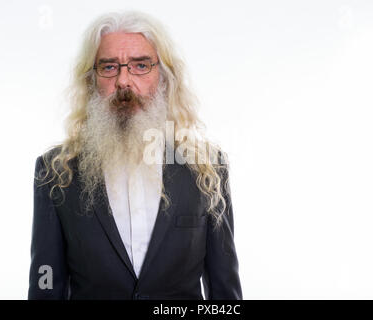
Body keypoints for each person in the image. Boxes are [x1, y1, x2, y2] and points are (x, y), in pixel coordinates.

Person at [28, 11, 242, 300]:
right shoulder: (56, 171)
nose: (124, 81)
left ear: (163, 77)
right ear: (92, 80)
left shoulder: (207, 167)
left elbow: (224, 289)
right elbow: (46, 284)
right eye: (109, 67)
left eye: (141, 65)